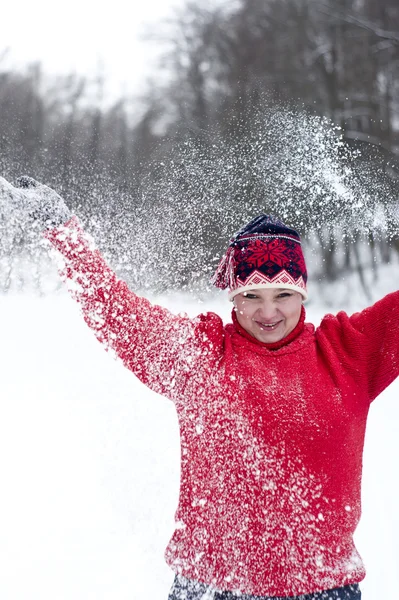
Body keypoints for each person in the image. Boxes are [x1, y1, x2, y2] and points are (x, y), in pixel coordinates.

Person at [3, 175, 398, 600]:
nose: (268, 312)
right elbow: (119, 312)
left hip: (323, 587)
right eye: (251, 296)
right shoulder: (201, 357)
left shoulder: (348, 354)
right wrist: (62, 231)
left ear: (302, 294)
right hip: (211, 587)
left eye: (283, 293)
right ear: (232, 299)